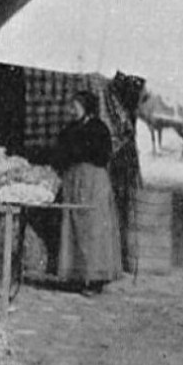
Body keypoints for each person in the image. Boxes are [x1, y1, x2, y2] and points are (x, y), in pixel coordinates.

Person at [53, 90, 121, 294]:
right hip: (73, 181)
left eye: (75, 106)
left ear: (86, 107)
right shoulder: (70, 129)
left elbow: (102, 155)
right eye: (70, 106)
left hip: (93, 181)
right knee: (73, 226)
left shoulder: (98, 128)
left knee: (93, 227)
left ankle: (95, 278)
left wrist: (76, 154)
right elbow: (61, 152)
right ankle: (76, 276)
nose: (71, 110)